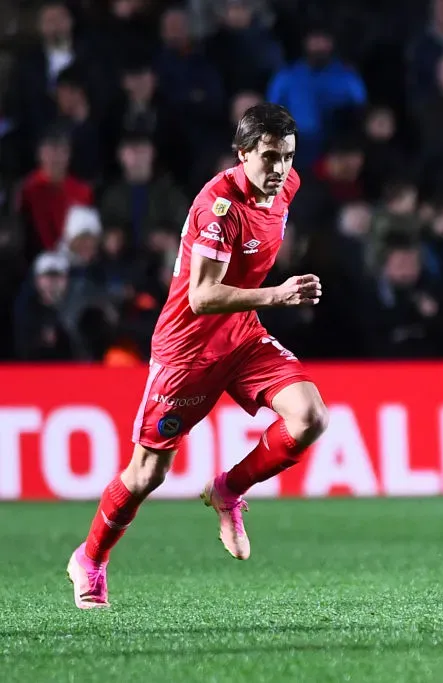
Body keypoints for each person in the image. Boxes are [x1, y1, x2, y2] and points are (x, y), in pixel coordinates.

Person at [66, 103, 329, 609]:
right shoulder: (218, 206)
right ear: (243, 153)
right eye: (270, 157)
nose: (280, 170)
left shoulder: (287, 186)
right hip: (188, 350)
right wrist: (277, 295)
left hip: (242, 335)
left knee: (310, 416)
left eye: (288, 158)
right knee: (147, 474)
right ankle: (90, 559)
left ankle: (227, 490)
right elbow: (201, 297)